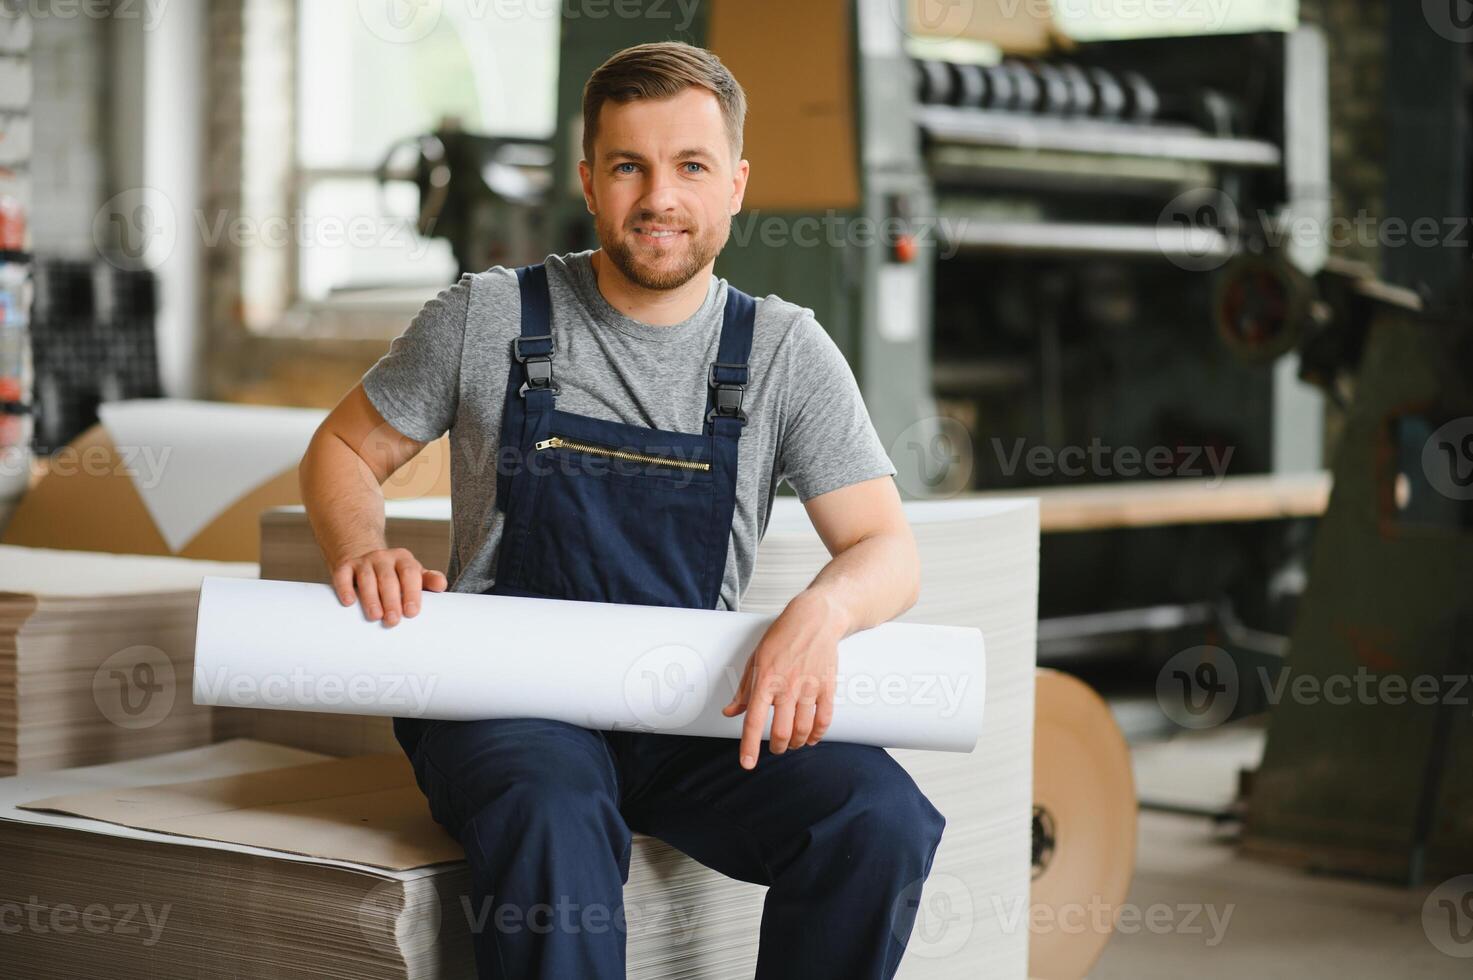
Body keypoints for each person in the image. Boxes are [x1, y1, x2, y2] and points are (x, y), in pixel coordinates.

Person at [298, 39, 945, 980]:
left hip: (684, 703)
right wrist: (365, 544)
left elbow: (886, 547)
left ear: (735, 183)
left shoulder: (783, 353)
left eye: (691, 166)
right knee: (554, 819)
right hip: (507, 702)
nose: (660, 199)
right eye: (629, 167)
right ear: (589, 182)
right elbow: (343, 450)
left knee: (875, 819)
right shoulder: (488, 318)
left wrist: (822, 612)